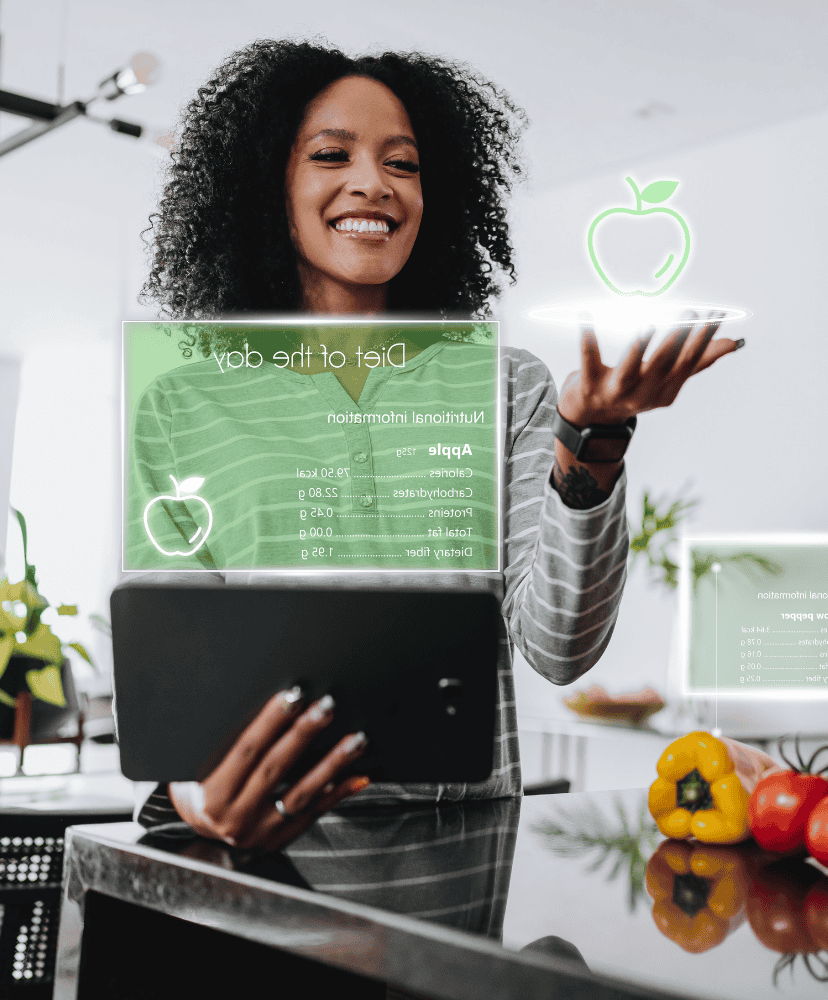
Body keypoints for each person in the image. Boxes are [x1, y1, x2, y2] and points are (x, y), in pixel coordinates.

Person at [131, 39, 741, 851]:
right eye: (329, 155)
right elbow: (172, 660)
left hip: (462, 862)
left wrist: (589, 445)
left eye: (404, 164)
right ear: (265, 184)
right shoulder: (183, 403)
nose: (374, 184)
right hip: (259, 857)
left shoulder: (511, 388)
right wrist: (191, 789)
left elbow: (561, 649)